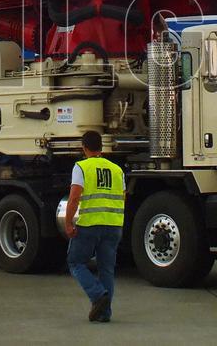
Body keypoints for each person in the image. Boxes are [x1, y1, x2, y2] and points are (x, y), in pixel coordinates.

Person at [64, 130, 125, 323]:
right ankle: (104, 313)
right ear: (101, 147)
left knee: (76, 262)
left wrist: (68, 222)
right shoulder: (117, 169)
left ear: (84, 147)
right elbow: (123, 197)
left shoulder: (81, 167)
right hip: (114, 225)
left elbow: (74, 197)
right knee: (106, 269)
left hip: (90, 224)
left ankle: (98, 295)